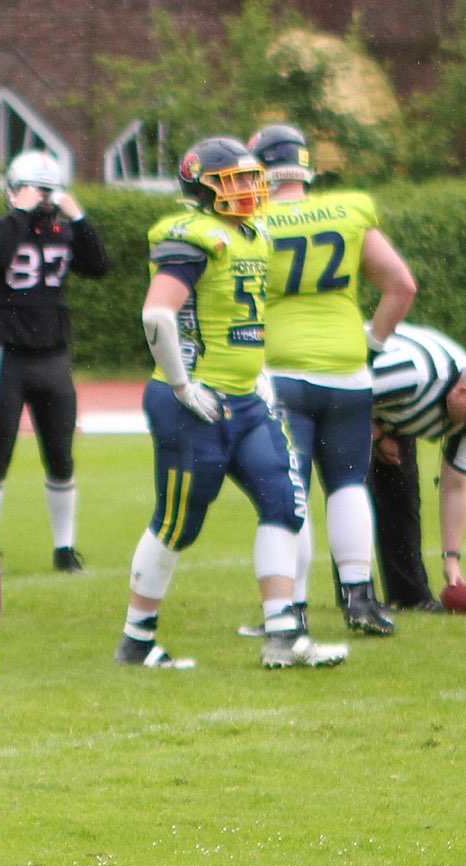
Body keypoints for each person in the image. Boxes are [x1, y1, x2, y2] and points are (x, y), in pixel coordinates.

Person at [119, 135, 346, 670]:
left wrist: (257, 374)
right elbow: (157, 315)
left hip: (245, 398)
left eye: (252, 178)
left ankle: (282, 635)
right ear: (202, 187)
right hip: (194, 400)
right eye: (236, 181)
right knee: (178, 523)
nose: (250, 189)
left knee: (283, 503)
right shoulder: (193, 235)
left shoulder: (254, 235)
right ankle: (136, 639)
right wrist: (181, 385)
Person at [251, 122, 418, 636]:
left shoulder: (253, 219)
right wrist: (371, 342)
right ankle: (360, 598)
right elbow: (402, 285)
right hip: (348, 370)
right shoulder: (348, 210)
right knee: (348, 483)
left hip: (283, 369)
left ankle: (291, 608)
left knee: (290, 492)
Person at [0, 149, 110, 572]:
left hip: (52, 356)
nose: (45, 200)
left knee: (61, 456)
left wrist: (79, 215)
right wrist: (19, 213)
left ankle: (65, 548)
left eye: (49, 192)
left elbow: (99, 265)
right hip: (5, 355)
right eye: (37, 190)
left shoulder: (63, 229)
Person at [368, 322, 466, 608]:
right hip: (348, 380)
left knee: (403, 496)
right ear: (460, 393)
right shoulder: (411, 373)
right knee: (351, 494)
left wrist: (452, 560)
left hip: (395, 412)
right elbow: (344, 395)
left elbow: (455, 485)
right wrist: (378, 436)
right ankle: (355, 595)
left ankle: (410, 598)